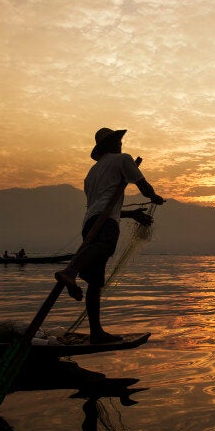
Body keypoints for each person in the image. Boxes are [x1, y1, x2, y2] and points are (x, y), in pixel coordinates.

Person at [56, 127, 165, 344]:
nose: (121, 144)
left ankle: (96, 333)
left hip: (90, 223)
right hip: (105, 223)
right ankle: (71, 271)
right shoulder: (123, 160)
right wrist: (154, 196)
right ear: (110, 145)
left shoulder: (92, 173)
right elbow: (143, 186)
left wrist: (132, 213)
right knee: (107, 246)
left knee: (95, 284)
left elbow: (101, 207)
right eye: (118, 141)